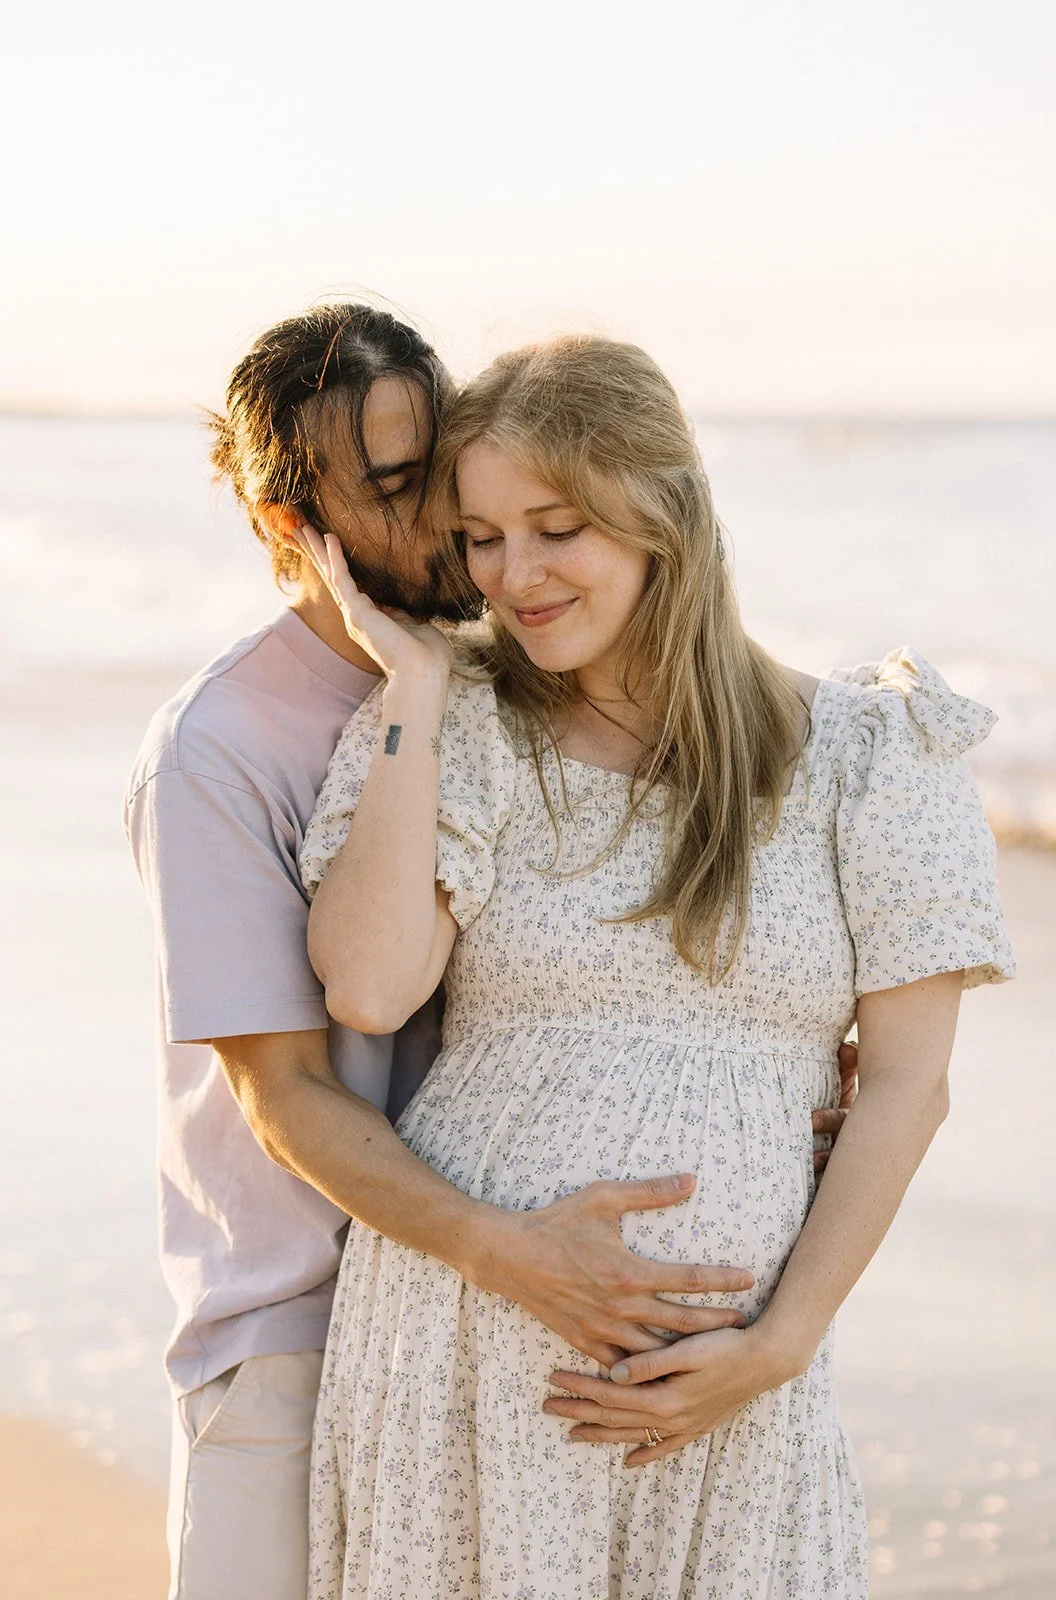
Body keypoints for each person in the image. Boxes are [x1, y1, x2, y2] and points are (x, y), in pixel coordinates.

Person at [125, 306, 851, 1600]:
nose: (462, 523)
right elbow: (283, 1091)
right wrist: (506, 1252)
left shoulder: (521, 679)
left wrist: (789, 1063)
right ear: (294, 530)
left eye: (445, 468)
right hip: (300, 1331)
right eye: (404, 491)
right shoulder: (221, 749)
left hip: (503, 1323)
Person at [297, 334, 1015, 1598]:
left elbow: (909, 1083)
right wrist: (415, 682)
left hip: (733, 1385)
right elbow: (366, 985)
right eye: (479, 537)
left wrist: (781, 1344)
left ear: (661, 511)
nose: (512, 576)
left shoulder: (870, 752)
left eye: (555, 527)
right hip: (463, 1355)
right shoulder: (456, 724)